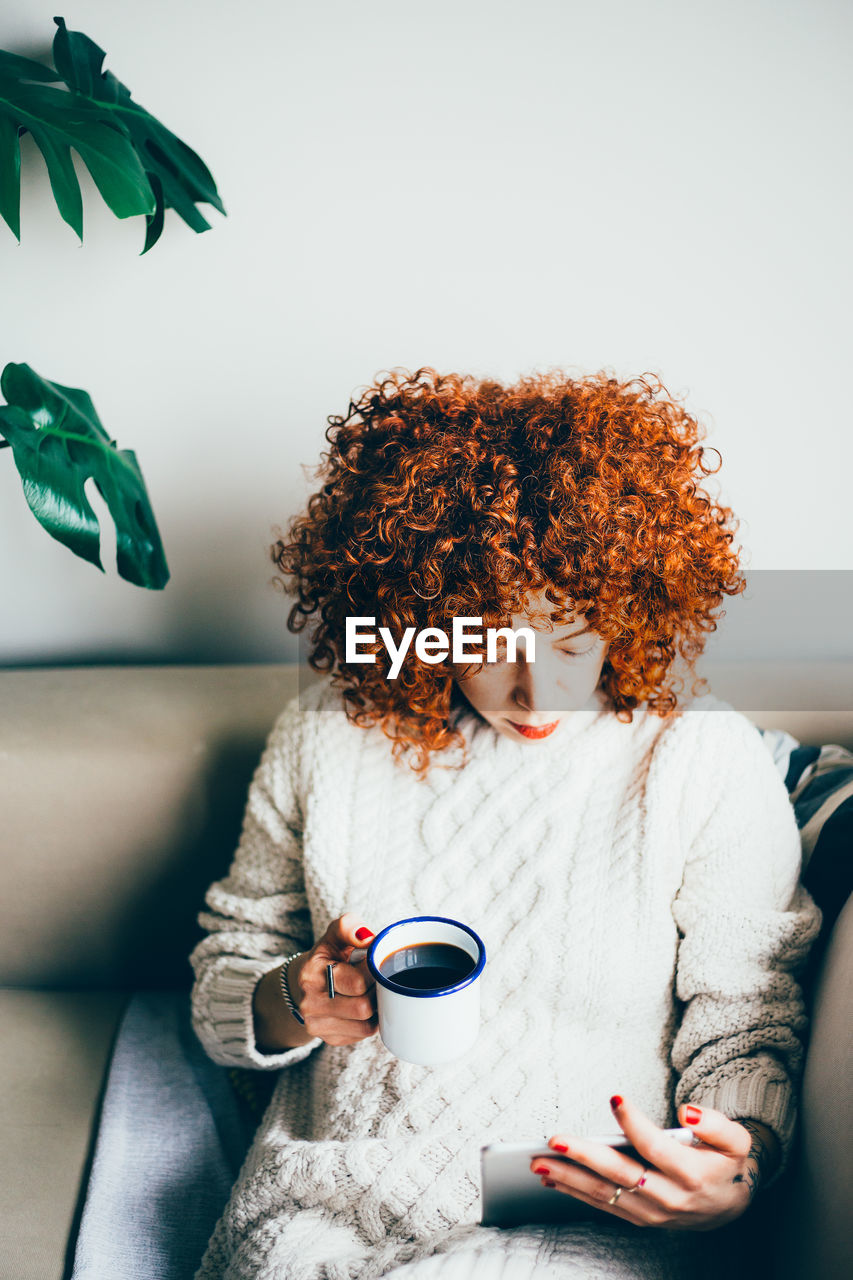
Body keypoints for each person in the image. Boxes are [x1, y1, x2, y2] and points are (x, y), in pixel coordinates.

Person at [189, 367, 821, 1280]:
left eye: (570, 642)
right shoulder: (325, 736)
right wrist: (296, 999)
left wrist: (733, 1159)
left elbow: (746, 1018)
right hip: (325, 1208)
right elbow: (229, 973)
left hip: (591, 1208)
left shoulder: (698, 759)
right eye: (483, 644)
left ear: (626, 609)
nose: (536, 693)